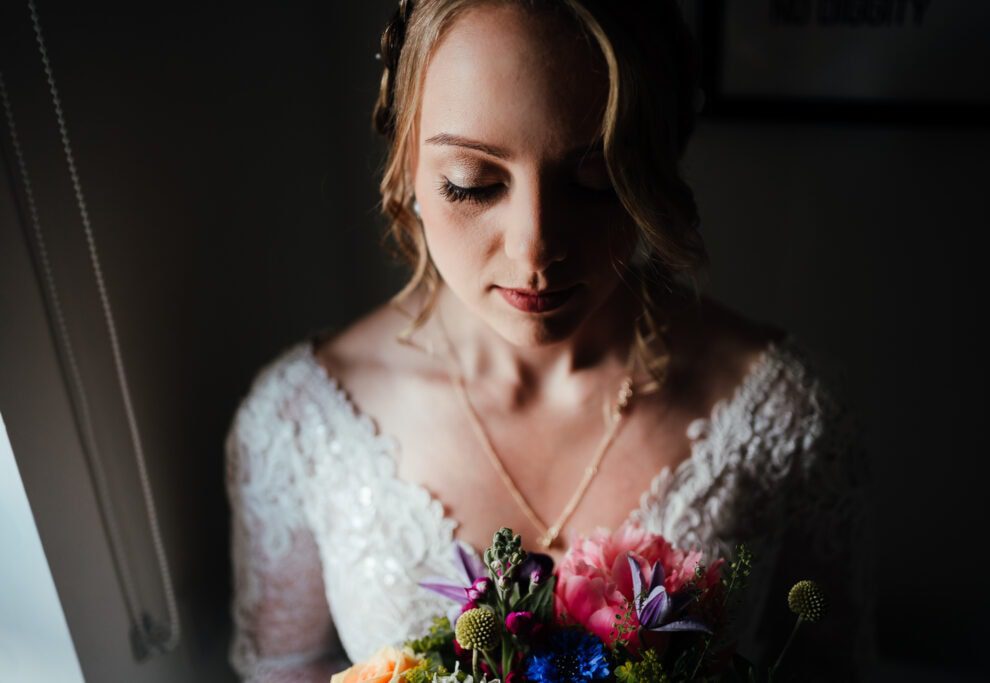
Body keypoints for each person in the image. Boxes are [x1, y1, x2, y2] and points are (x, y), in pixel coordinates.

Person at [225, 1, 875, 680]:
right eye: (473, 185)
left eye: (596, 181)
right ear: (407, 163)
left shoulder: (789, 416)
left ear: (653, 167)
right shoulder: (300, 422)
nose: (535, 249)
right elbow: (284, 666)